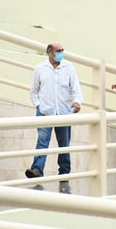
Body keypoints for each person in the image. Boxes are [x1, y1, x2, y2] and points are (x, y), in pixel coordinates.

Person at [26, 42, 83, 182]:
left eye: (62, 50)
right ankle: (37, 170)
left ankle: (64, 173)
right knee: (42, 142)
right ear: (49, 52)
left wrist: (77, 102)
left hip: (64, 113)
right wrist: (38, 105)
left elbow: (76, 89)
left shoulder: (69, 67)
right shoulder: (40, 68)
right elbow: (34, 91)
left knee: (64, 145)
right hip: (45, 112)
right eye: (58, 51)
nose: (61, 53)